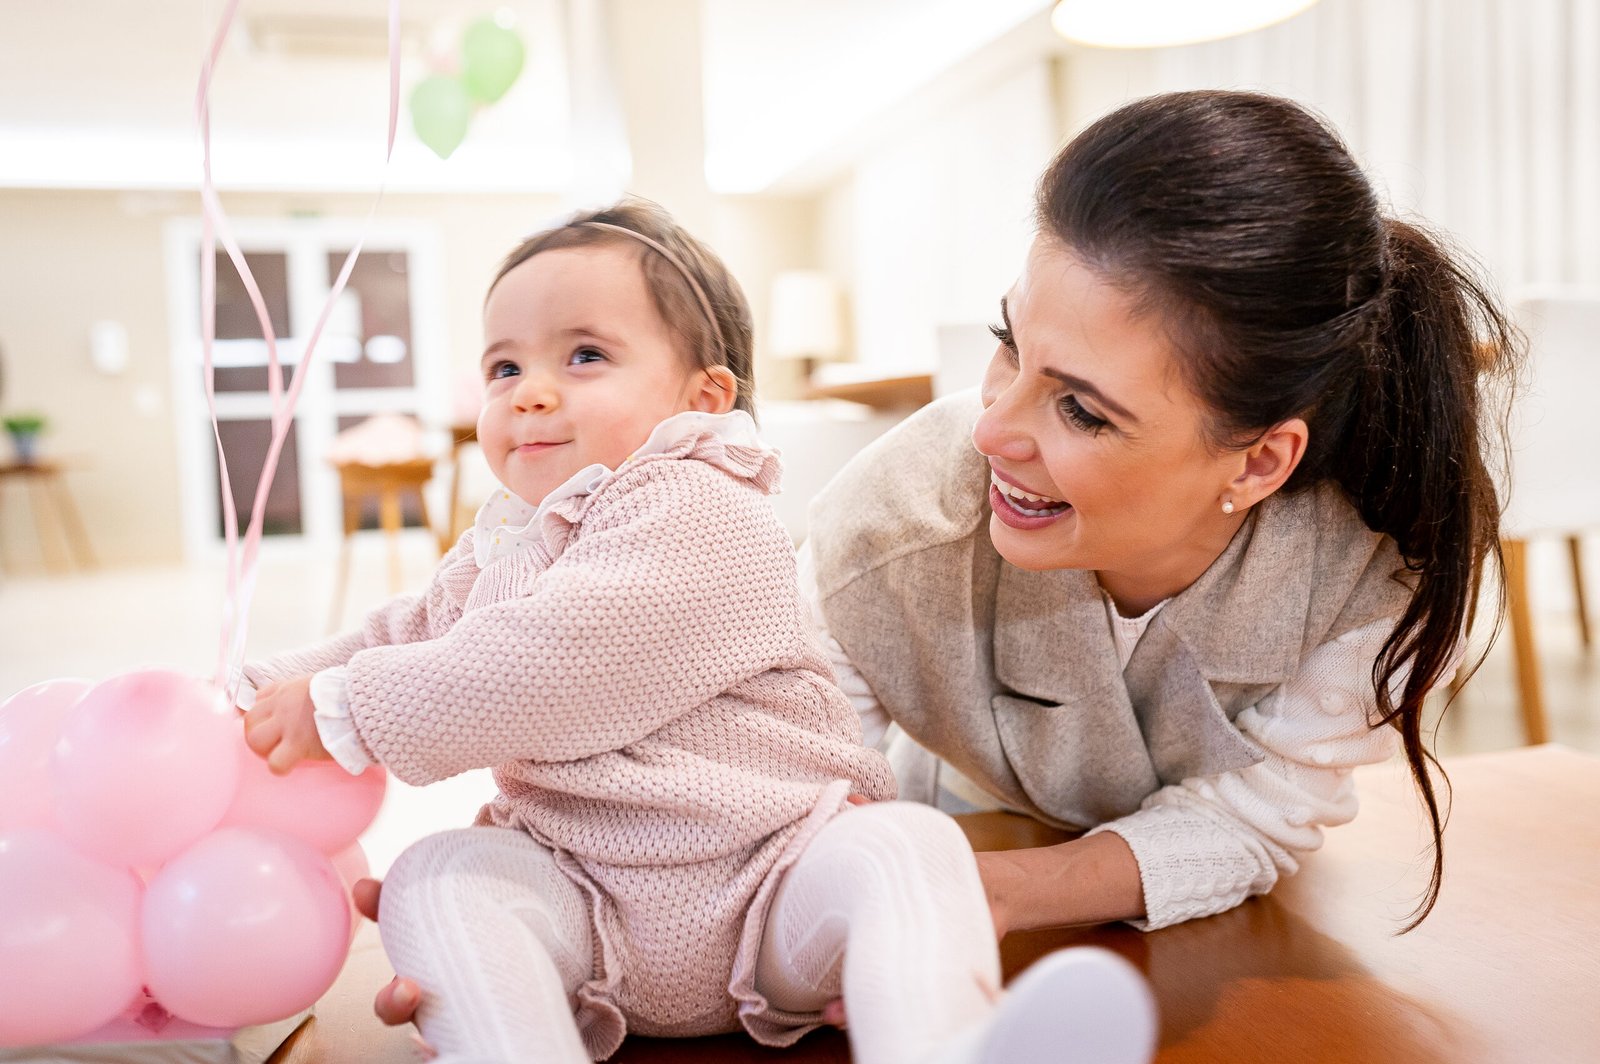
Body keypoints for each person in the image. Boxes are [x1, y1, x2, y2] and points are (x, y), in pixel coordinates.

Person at [241, 201, 1158, 1064]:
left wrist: (345, 707)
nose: (530, 394)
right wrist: (257, 691)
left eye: (585, 356)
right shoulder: (506, 544)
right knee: (436, 876)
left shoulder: (704, 507)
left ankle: (940, 1041)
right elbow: (402, 631)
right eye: (505, 368)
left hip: (772, 876)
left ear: (703, 398)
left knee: (906, 847)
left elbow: (561, 657)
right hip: (581, 891)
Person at [800, 88, 1515, 939]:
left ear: (1258, 462)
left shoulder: (1369, 575)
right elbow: (794, 797)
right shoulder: (890, 525)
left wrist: (1003, 894)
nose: (989, 431)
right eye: (1009, 345)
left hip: (1194, 929)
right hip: (950, 831)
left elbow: (1261, 810)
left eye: (1082, 411)